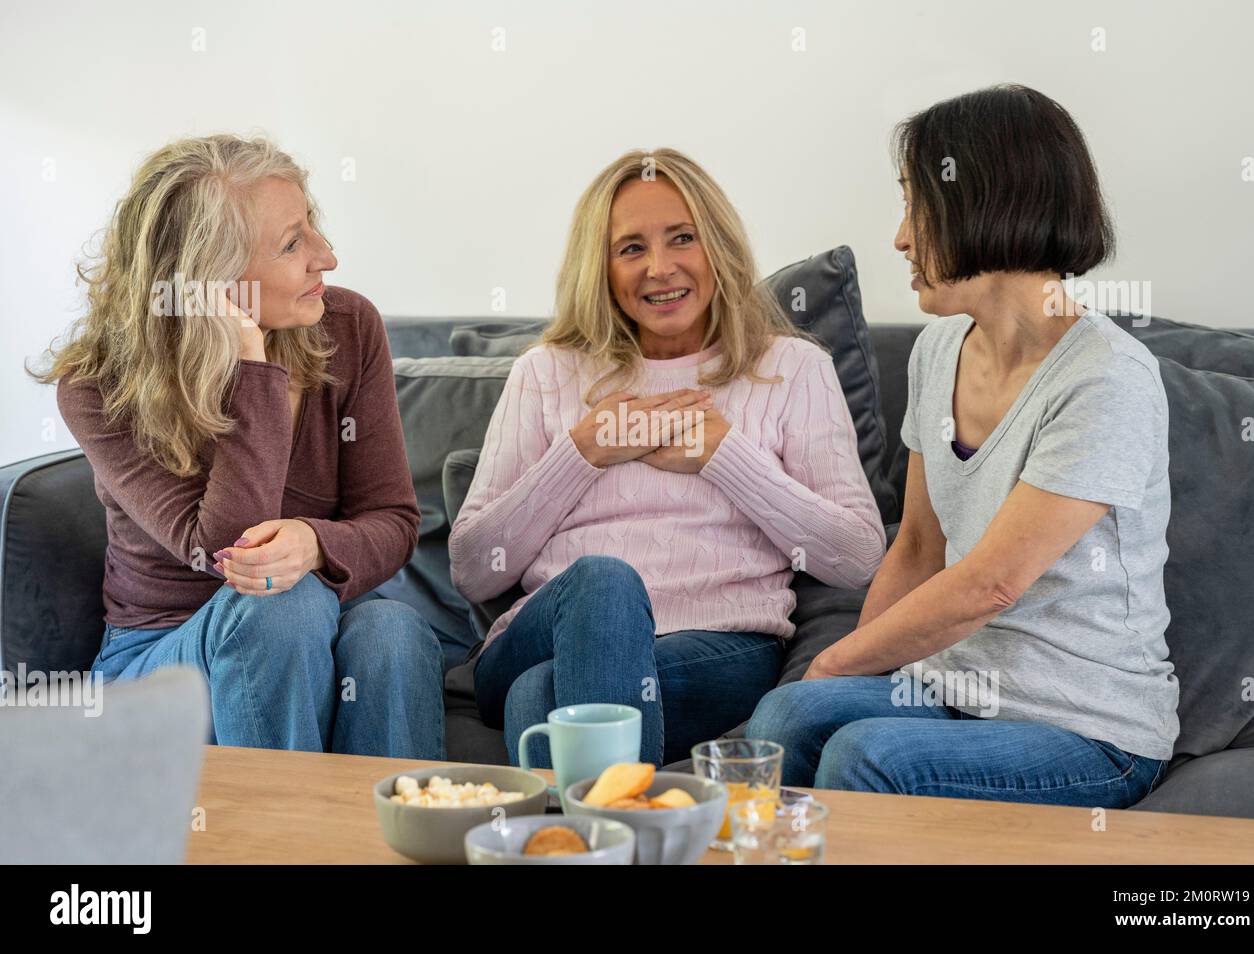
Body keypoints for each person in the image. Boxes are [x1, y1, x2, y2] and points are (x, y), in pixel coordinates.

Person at [747, 85, 1178, 807]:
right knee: (787, 715)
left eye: (916, 203)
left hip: (1088, 729)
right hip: (952, 689)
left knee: (867, 756)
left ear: (986, 200)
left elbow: (991, 583)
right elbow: (917, 547)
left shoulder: (1108, 379)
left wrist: (834, 666)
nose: (901, 237)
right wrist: (846, 677)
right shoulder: (939, 348)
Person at [450, 148, 886, 767]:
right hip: (543, 633)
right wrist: (585, 450)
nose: (659, 268)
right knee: (603, 583)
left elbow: (858, 557)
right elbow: (475, 568)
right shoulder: (544, 374)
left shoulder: (793, 368)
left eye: (682, 238)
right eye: (631, 248)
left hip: (716, 646)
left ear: (719, 247)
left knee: (540, 698)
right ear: (598, 267)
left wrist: (723, 455)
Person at [32, 134, 445, 758]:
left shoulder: (350, 326)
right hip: (157, 662)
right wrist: (254, 369)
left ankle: (391, 846)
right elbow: (223, 551)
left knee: (393, 631)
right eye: (292, 244)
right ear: (212, 280)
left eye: (312, 229)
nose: (327, 258)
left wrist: (314, 543)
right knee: (280, 604)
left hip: (320, 624)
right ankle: (282, 846)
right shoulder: (98, 388)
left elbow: (393, 520)